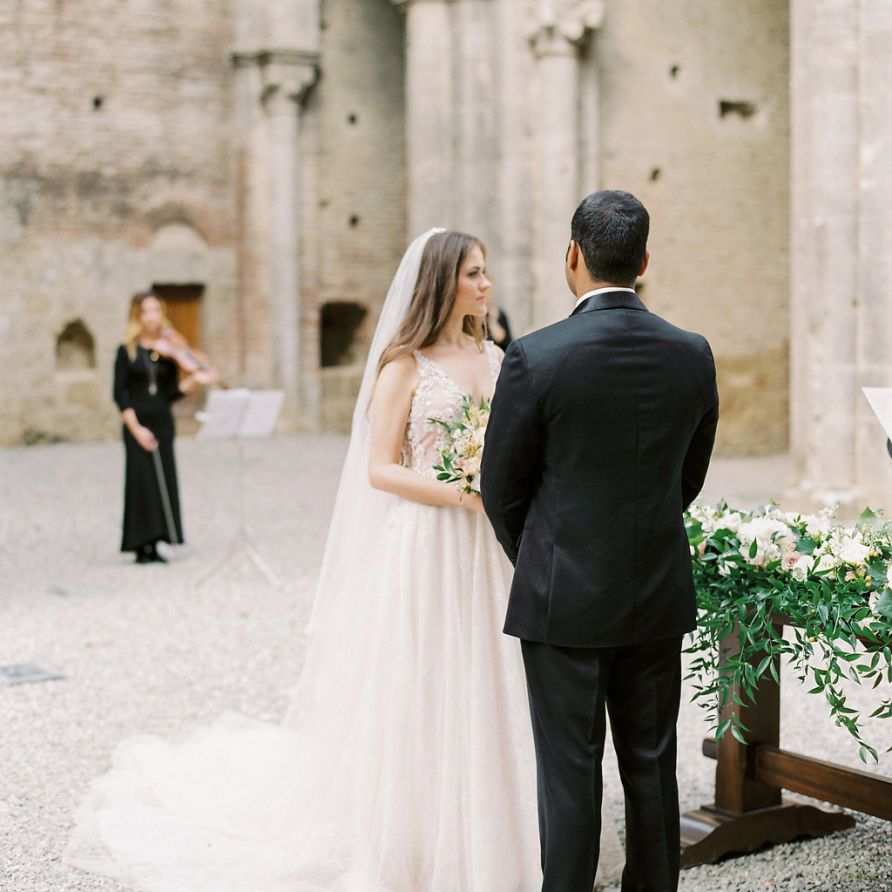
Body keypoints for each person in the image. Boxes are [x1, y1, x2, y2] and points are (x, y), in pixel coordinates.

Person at [68, 230, 623, 890]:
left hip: (494, 546)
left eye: (485, 273)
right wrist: (462, 491)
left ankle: (510, 835)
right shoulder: (404, 366)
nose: (486, 284)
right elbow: (380, 468)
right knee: (430, 682)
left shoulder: (501, 357)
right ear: (442, 283)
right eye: (474, 273)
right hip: (429, 543)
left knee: (498, 679)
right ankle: (423, 844)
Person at [481, 191, 719, 892]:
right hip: (654, 593)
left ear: (572, 257)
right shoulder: (692, 352)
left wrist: (545, 554)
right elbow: (690, 474)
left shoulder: (535, 356)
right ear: (644, 261)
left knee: (569, 774)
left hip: (564, 600)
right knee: (651, 766)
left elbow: (502, 488)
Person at [113, 291, 216, 563]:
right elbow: (120, 394)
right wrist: (136, 428)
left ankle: (158, 539)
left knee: (163, 478)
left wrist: (194, 379)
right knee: (140, 479)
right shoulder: (126, 351)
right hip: (137, 422)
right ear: (137, 316)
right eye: (146, 311)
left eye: (156, 310)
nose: (152, 317)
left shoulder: (167, 351)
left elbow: (170, 392)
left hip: (162, 421)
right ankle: (139, 544)